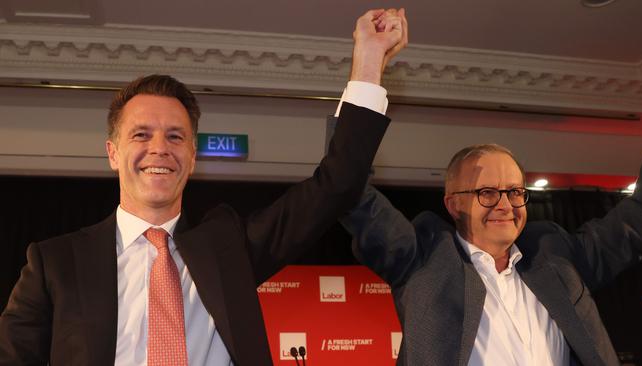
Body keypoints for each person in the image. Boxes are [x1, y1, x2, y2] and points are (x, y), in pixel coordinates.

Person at [0, 8, 408, 366]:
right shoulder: (54, 263)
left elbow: (336, 185)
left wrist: (368, 62)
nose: (159, 149)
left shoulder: (227, 248)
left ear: (193, 157)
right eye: (141, 135)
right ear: (112, 152)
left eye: (175, 137)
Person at [341, 143, 642, 365]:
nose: (505, 205)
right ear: (453, 204)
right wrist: (366, 74)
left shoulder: (554, 253)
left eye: (515, 192)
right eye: (487, 193)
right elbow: (350, 191)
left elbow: (638, 215)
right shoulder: (423, 258)